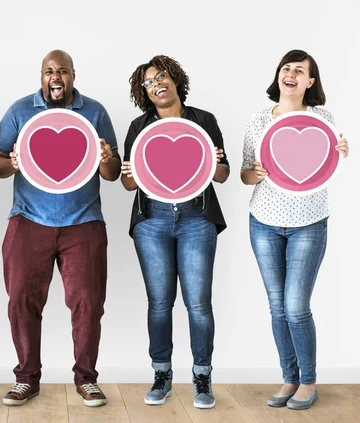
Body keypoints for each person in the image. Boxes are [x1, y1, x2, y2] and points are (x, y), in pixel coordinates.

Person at [0, 49, 120, 408]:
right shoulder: (20, 111)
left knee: (89, 303)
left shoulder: (94, 112)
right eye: (49, 71)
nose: (56, 77)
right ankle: (26, 378)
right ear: (41, 76)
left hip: (84, 222)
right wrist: (11, 164)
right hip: (29, 220)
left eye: (62, 71)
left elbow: (111, 173)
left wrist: (108, 160)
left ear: (73, 75)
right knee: (21, 301)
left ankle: (87, 379)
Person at [240, 49, 349, 410]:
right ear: (279, 77)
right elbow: (244, 174)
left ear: (310, 82)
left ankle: (308, 381)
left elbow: (328, 162)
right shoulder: (258, 120)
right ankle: (288, 378)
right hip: (264, 222)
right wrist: (253, 173)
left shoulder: (322, 118)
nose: (291, 74)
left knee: (296, 306)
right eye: (286, 68)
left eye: (300, 70)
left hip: (309, 223)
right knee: (277, 306)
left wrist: (342, 149)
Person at [121, 55, 229, 409]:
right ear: (144, 92)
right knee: (160, 303)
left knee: (198, 303)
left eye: (162, 76)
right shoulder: (139, 127)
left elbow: (223, 174)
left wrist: (215, 163)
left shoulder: (203, 121)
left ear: (175, 78)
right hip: (152, 219)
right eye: (149, 82)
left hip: (197, 217)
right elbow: (127, 182)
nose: (157, 84)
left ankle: (202, 376)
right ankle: (162, 374)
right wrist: (129, 173)